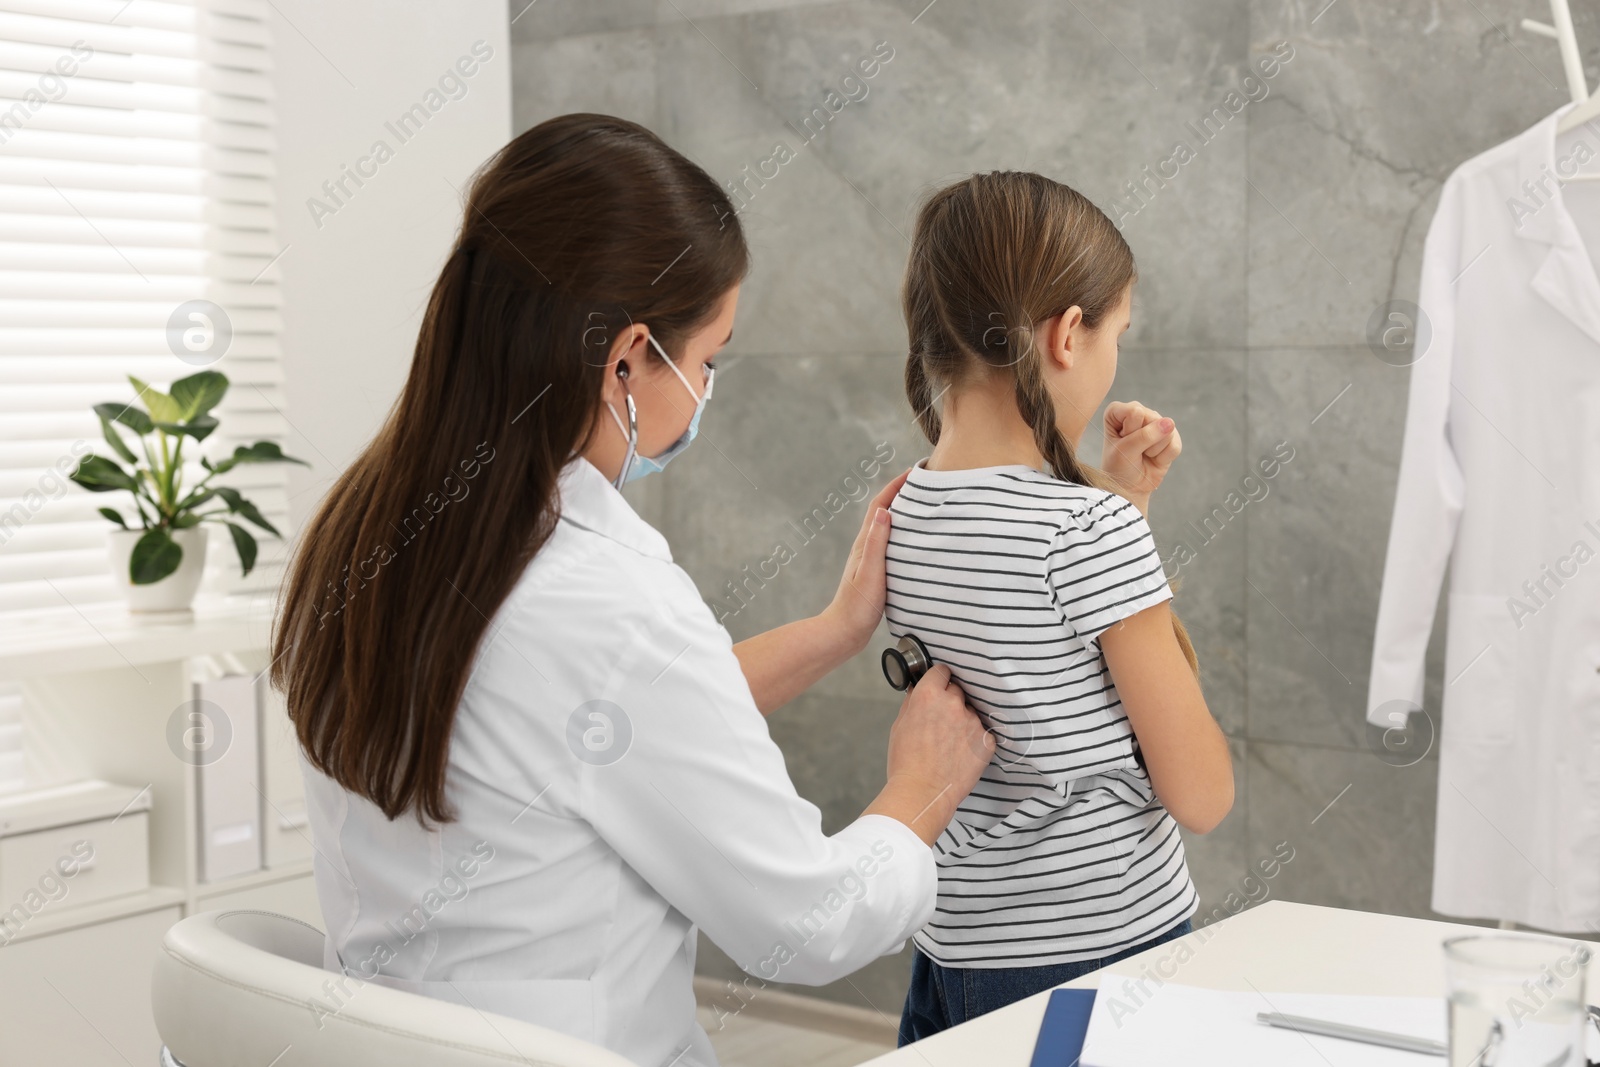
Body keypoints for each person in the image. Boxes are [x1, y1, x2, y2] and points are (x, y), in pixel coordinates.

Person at [270, 113, 994, 1067]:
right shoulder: (606, 595)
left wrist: (832, 631)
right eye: (706, 359)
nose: (704, 387)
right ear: (626, 359)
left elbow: (585, 730)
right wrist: (919, 791)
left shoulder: (368, 531)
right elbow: (809, 924)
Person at [886, 171, 1235, 1042]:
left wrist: (1123, 502)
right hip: (1097, 953)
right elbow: (1201, 792)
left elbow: (1036, 651)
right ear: (1068, 336)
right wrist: (1119, 519)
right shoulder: (1086, 528)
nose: (1118, 357)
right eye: (1119, 332)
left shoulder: (902, 509)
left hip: (956, 946)